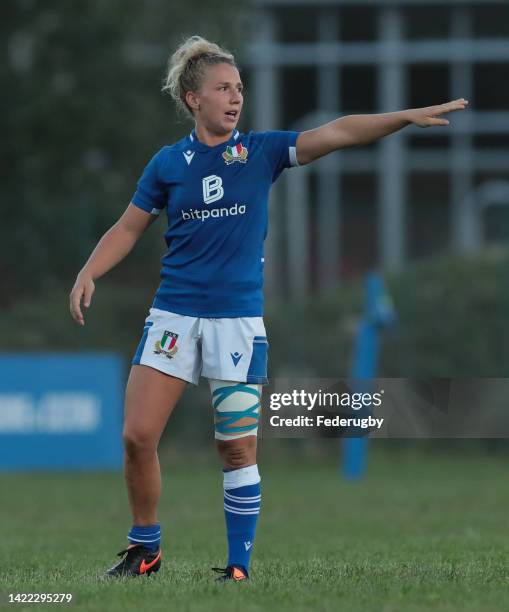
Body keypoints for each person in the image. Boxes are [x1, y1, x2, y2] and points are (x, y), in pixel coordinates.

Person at [69, 34, 468, 581]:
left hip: (236, 323)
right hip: (173, 318)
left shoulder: (260, 153)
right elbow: (128, 227)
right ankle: (146, 550)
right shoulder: (169, 163)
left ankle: (238, 568)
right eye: (224, 88)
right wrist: (89, 271)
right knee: (137, 437)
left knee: (237, 449)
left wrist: (401, 116)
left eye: (240, 88)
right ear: (194, 98)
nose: (236, 98)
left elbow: (338, 131)